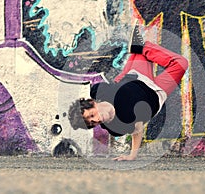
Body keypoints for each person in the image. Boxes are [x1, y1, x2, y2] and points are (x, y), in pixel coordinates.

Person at [69, 21, 188, 161]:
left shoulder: (98, 91)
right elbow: (137, 130)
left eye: (92, 115)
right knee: (181, 63)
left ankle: (139, 49)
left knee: (133, 58)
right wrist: (132, 155)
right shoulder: (118, 125)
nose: (98, 119)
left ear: (92, 103)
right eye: (93, 122)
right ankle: (140, 49)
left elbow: (115, 82)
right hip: (155, 92)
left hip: (136, 75)